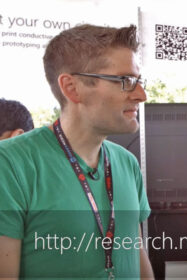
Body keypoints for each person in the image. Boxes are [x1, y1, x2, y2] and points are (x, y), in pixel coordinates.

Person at [0, 24, 154, 279]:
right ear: (72, 88)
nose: (142, 95)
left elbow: (136, 256)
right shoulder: (11, 164)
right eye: (126, 81)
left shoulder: (127, 163)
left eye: (139, 81)